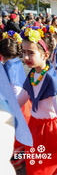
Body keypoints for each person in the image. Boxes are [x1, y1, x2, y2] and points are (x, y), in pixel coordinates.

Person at [17, 28, 57, 174]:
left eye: (31, 53)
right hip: (34, 126)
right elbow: (21, 98)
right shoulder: (33, 74)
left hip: (51, 130)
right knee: (37, 163)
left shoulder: (51, 79)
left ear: (45, 54)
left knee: (50, 165)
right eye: (24, 52)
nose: (26, 57)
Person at [0, 32, 32, 169]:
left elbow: (14, 89)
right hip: (24, 104)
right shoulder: (17, 62)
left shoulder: (8, 67)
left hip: (17, 105)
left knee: (14, 135)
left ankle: (16, 163)